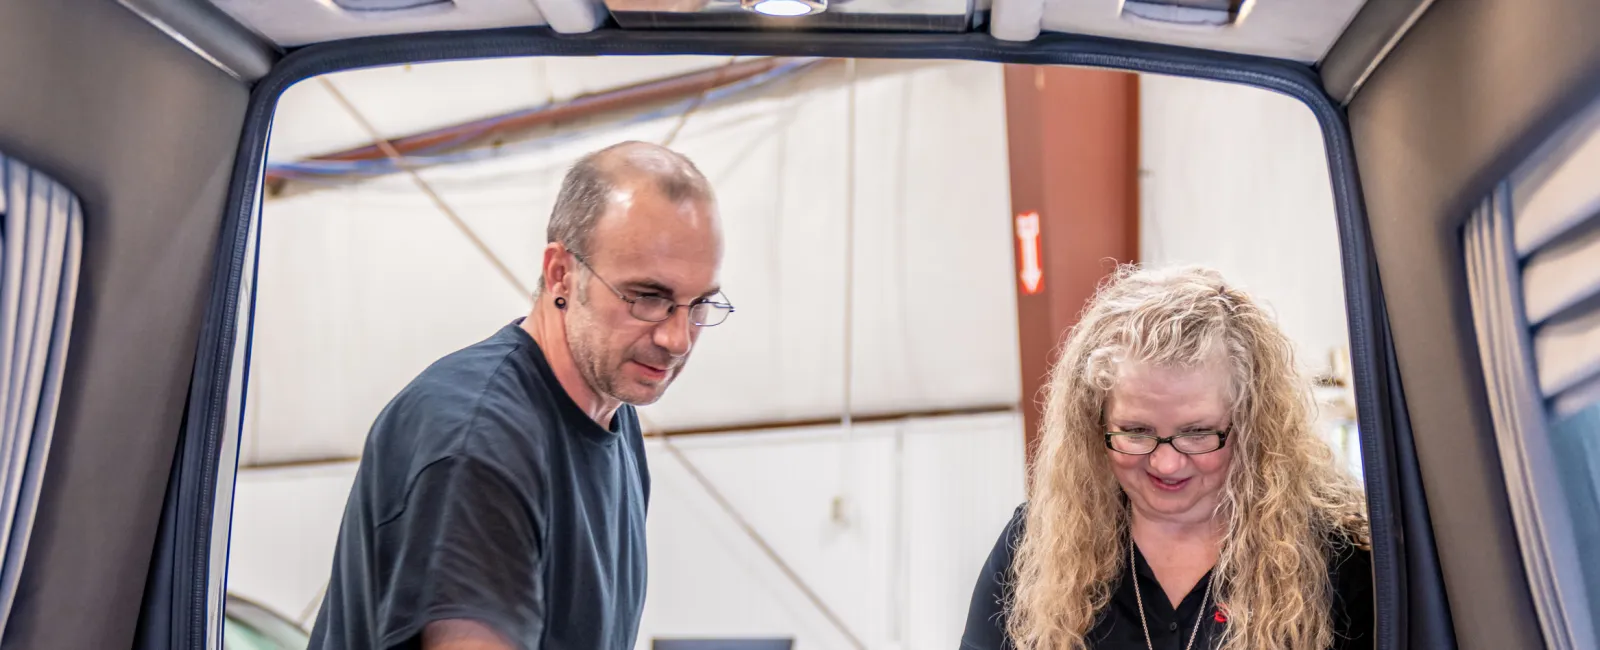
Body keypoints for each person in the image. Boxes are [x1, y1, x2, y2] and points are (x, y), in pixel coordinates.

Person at [306, 141, 732, 650]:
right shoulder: (478, 440)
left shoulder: (614, 420)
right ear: (561, 274)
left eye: (698, 304)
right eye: (648, 298)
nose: (677, 339)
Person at [960, 265, 1372, 650]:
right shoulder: (1038, 544)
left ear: (1251, 424)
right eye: (1136, 432)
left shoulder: (1335, 557)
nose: (1166, 464)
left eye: (1196, 433)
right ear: (1095, 423)